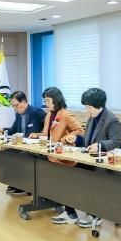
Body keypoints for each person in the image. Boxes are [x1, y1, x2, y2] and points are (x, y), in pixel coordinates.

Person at [64, 88, 121, 228]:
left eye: (89, 107)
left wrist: (100, 145)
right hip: (91, 161)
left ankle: (95, 215)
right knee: (69, 173)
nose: (87, 110)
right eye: (86, 107)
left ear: (99, 105)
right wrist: (77, 139)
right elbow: (88, 141)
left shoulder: (112, 120)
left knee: (89, 178)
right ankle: (70, 211)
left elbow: (116, 142)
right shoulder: (92, 118)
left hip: (107, 166)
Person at [29, 87, 84, 224]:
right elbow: (46, 134)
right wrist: (37, 135)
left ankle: (71, 213)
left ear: (56, 100)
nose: (46, 103)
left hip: (62, 157)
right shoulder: (49, 115)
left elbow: (79, 131)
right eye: (45, 100)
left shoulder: (65, 114)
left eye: (48, 100)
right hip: (50, 153)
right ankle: (51, 200)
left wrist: (64, 140)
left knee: (61, 181)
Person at [0, 90, 46, 195]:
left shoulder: (37, 113)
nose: (14, 108)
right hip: (22, 146)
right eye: (13, 106)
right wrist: (2, 130)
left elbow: (48, 130)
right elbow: (13, 130)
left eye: (16, 105)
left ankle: (25, 186)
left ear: (24, 102)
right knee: (6, 153)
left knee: (20, 157)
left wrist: (38, 134)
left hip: (35, 148)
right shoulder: (18, 115)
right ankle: (15, 183)